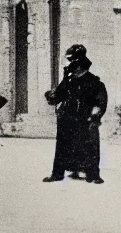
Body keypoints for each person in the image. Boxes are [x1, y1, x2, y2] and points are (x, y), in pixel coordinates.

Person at [43, 44, 108, 184]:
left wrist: (95, 115)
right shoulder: (69, 81)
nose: (73, 69)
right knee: (62, 146)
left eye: (75, 66)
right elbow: (57, 97)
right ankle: (57, 174)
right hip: (67, 118)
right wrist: (51, 95)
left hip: (85, 120)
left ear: (81, 67)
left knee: (90, 146)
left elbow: (101, 101)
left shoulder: (94, 82)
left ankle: (93, 175)